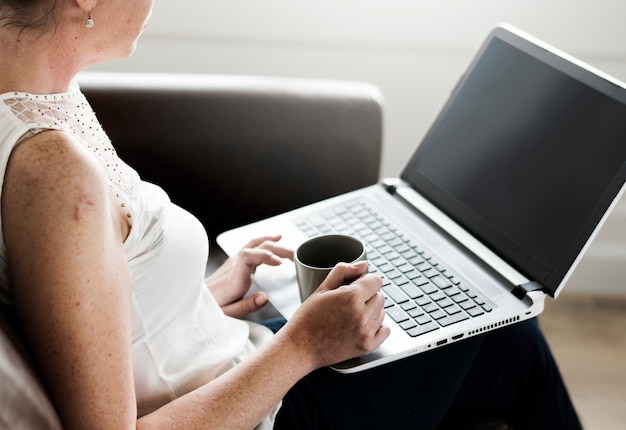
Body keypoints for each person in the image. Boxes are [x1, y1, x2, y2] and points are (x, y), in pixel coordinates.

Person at [0, 1, 583, 429]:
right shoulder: (52, 171)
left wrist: (188, 302)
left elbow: (91, 290)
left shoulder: (39, 90)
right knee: (508, 334)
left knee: (441, 321)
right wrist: (301, 347)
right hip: (260, 412)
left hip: (226, 357)